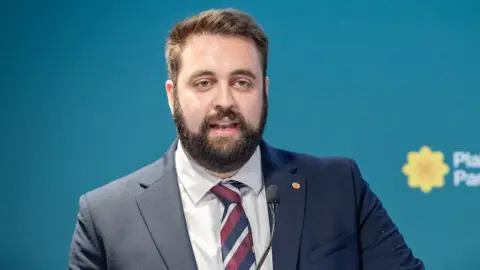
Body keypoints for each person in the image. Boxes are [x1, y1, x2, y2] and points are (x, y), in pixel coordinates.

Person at [68, 8, 425, 270]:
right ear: (172, 95)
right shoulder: (107, 217)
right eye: (204, 83)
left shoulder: (338, 187)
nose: (225, 101)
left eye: (242, 82)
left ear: (264, 91)